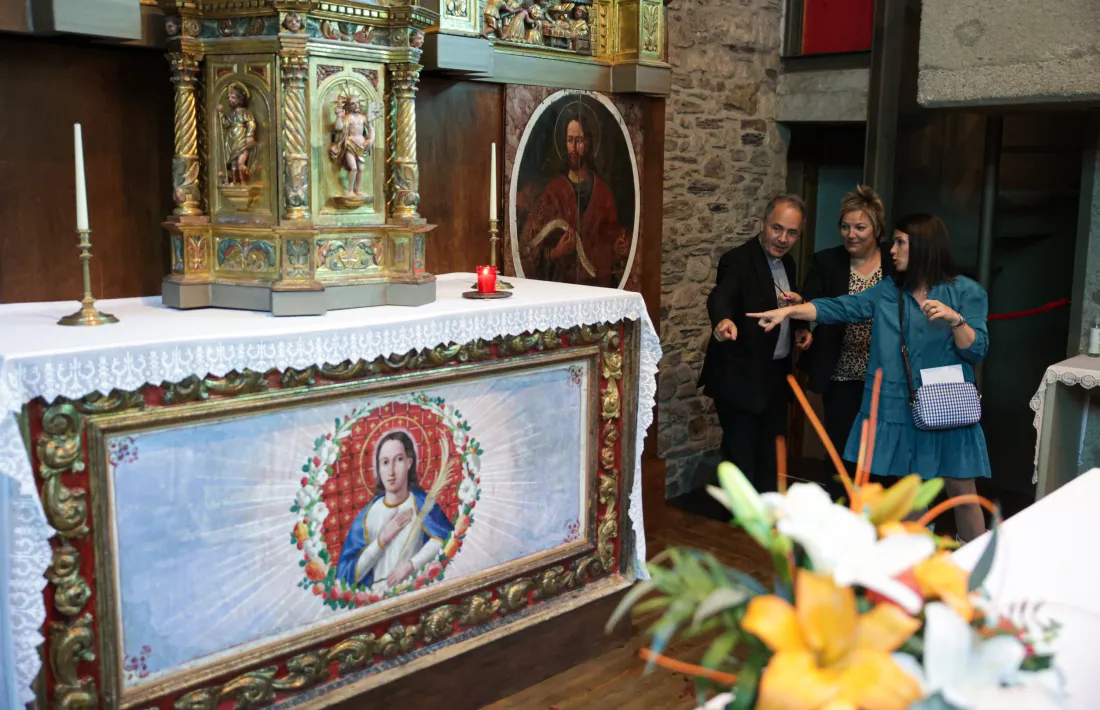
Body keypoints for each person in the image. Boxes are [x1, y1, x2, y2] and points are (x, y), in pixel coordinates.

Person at [748, 214, 991, 541]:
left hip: (946, 405)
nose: (892, 250)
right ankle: (914, 570)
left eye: (901, 242)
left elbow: (976, 351)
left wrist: (955, 320)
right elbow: (840, 307)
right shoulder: (890, 291)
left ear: (922, 247)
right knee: (913, 493)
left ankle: (977, 572)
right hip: (906, 408)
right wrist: (792, 311)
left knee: (962, 491)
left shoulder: (966, 292)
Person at [698, 194, 810, 493]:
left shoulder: (789, 264)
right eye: (777, 228)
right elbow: (722, 295)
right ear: (763, 223)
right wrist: (722, 321)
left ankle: (762, 530)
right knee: (741, 461)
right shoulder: (738, 260)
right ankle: (735, 532)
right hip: (740, 376)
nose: (783, 238)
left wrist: (800, 328)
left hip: (775, 377)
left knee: (771, 460)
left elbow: (788, 303)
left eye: (792, 233)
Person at [798, 186, 895, 496]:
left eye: (860, 227)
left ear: (877, 228)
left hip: (884, 375)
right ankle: (839, 515)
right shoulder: (826, 261)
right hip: (840, 372)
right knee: (841, 450)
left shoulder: (894, 262)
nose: (851, 234)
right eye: (845, 226)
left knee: (881, 452)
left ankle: (877, 517)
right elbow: (811, 303)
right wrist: (802, 323)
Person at [518, 112, 630, 287]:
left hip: (597, 286)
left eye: (579, 141)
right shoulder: (552, 191)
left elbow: (611, 236)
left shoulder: (603, 193)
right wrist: (555, 253)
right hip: (562, 288)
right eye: (570, 140)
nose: (573, 148)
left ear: (589, 143)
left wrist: (618, 247)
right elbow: (528, 248)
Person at [335, 431, 453, 591]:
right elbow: (347, 577)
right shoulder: (369, 515)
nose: (391, 471)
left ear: (409, 462)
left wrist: (411, 565)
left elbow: (445, 540)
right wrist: (381, 541)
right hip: (378, 595)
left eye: (398, 460)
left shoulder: (422, 504)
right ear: (378, 467)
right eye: (385, 462)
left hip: (416, 590)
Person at [329, 93, 375, 198]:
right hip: (350, 144)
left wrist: (371, 140)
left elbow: (371, 128)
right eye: (353, 104)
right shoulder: (348, 118)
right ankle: (350, 191)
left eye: (357, 102)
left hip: (361, 145)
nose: (356, 105)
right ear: (348, 106)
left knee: (361, 169)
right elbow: (338, 127)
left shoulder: (363, 118)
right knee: (353, 168)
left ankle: (358, 190)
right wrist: (339, 116)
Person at [216, 83, 256, 185]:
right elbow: (226, 124)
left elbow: (251, 124)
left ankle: (243, 182)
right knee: (234, 163)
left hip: (241, 139)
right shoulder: (232, 113)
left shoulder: (244, 112)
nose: (230, 100)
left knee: (240, 162)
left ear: (240, 99)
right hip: (232, 140)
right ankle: (234, 181)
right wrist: (221, 113)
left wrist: (249, 136)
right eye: (229, 97)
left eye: (233, 97)